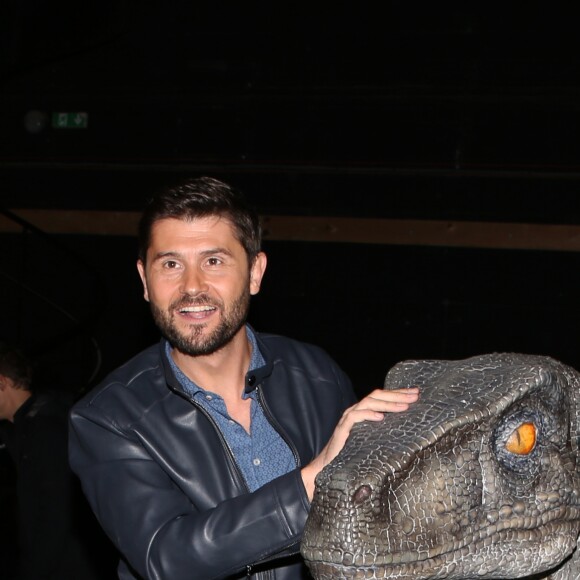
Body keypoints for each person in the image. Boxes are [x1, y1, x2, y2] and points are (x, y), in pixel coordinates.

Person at [68, 176, 419, 580]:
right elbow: (166, 559)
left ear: (255, 272)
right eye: (170, 264)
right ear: (145, 281)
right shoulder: (108, 416)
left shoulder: (317, 374)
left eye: (214, 261)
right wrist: (311, 482)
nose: (192, 286)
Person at [0, 342, 109, 580]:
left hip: (67, 569)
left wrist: (32, 571)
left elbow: (55, 513)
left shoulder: (46, 430)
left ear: (2, 383)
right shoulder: (23, 431)